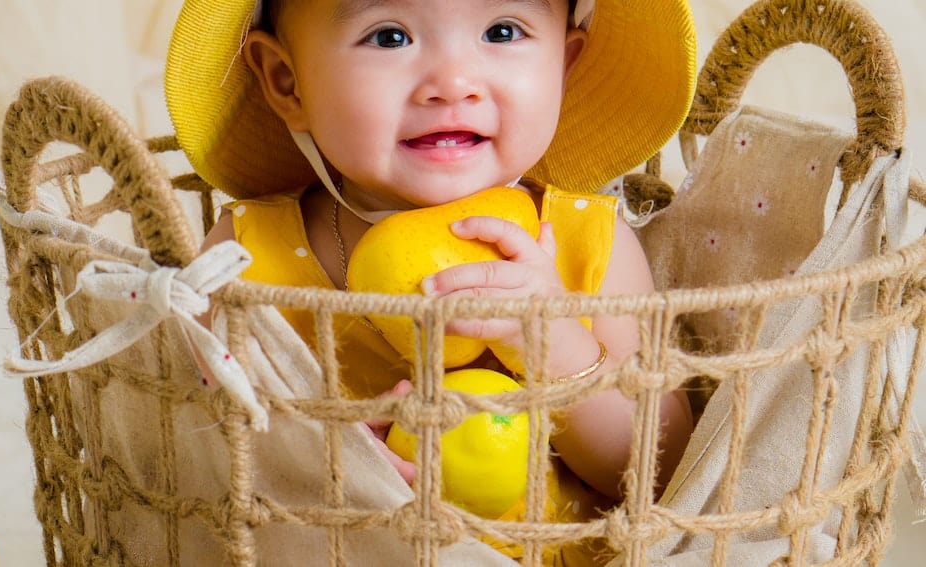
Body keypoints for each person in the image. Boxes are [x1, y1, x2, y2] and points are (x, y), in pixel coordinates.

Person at [165, 0, 696, 560]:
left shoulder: (587, 243)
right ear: (287, 81)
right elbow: (186, 451)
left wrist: (556, 345)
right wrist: (311, 452)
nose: (453, 84)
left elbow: (663, 474)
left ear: (562, 66)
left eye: (503, 30)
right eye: (389, 37)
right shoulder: (245, 255)